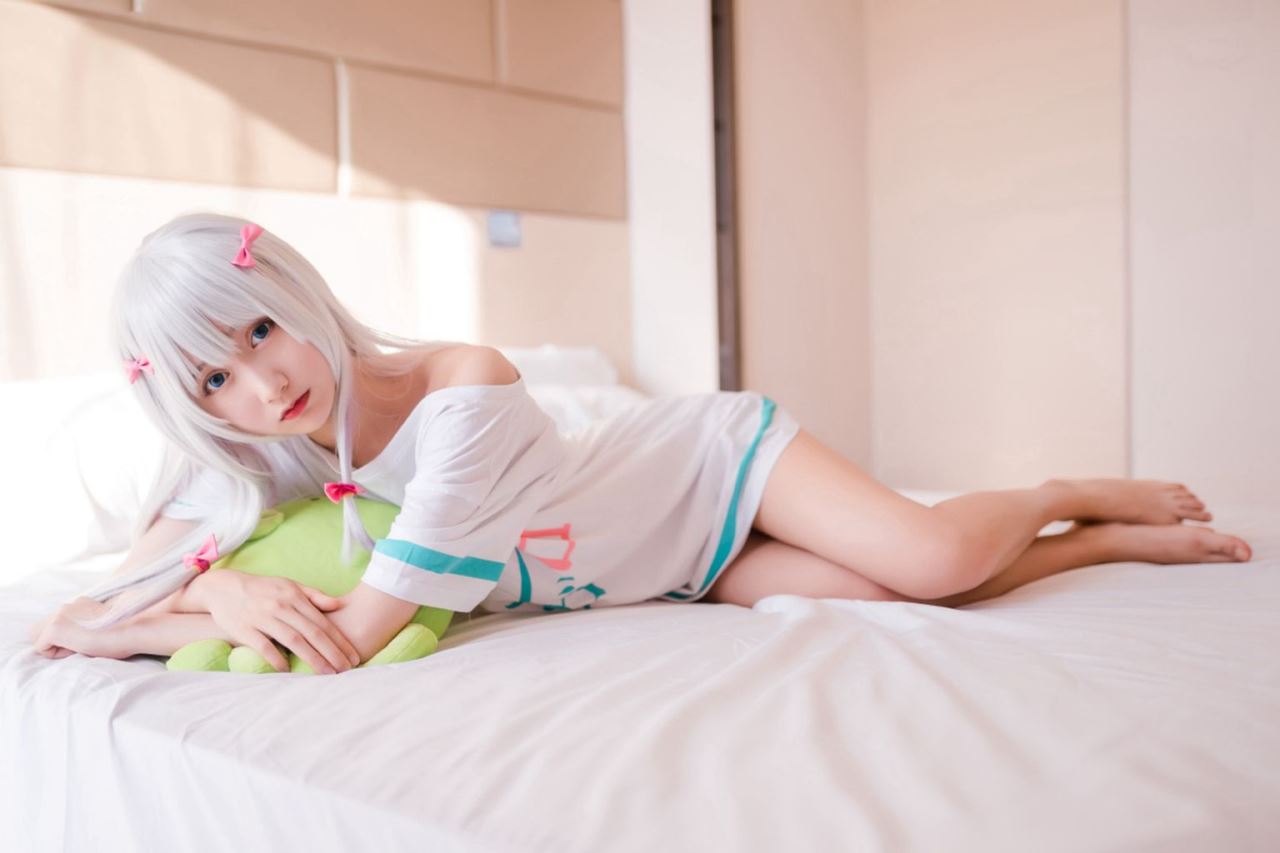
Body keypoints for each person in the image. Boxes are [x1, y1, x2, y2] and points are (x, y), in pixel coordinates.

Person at [29, 213, 1253, 673]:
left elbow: (351, 637)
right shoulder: (260, 457)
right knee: (893, 596)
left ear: (295, 291)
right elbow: (100, 600)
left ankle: (1057, 490)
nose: (263, 383)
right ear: (189, 402)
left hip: (705, 467)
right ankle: (1097, 545)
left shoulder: (462, 390)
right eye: (215, 377)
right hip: (672, 570)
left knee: (931, 560)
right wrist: (219, 589)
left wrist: (166, 618)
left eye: (259, 328)